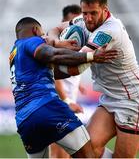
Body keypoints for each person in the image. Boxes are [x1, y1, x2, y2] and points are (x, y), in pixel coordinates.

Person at [47, 0, 139, 158]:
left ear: (105, 10)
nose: (88, 18)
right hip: (109, 98)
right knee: (84, 151)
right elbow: (55, 29)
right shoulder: (82, 21)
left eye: (93, 13)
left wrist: (48, 66)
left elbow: (74, 68)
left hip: (133, 101)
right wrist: (55, 41)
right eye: (85, 13)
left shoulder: (109, 30)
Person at [9, 17, 117, 158]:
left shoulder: (14, 53)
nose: (44, 38)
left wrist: (80, 62)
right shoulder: (32, 41)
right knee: (88, 155)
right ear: (35, 30)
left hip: (24, 121)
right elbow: (51, 54)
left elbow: (56, 72)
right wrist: (90, 56)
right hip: (47, 107)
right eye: (42, 34)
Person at [51, 4, 86, 158]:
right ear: (63, 22)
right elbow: (54, 77)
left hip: (66, 102)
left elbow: (69, 73)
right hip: (60, 104)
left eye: (78, 22)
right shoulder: (59, 46)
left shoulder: (76, 45)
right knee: (60, 151)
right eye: (71, 22)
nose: (75, 28)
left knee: (68, 151)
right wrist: (67, 101)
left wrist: (80, 86)